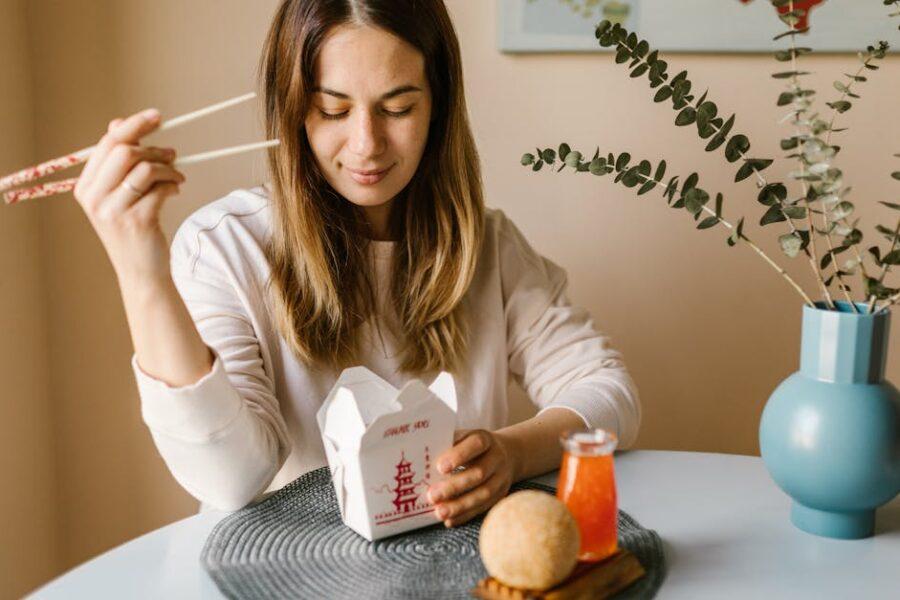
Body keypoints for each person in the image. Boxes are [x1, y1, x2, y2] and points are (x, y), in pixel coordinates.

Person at [73, 0, 640, 527]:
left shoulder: (486, 245)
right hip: (278, 577)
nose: (366, 144)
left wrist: (513, 452)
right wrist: (140, 270)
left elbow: (610, 393)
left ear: (438, 106)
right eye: (333, 109)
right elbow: (231, 479)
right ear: (294, 110)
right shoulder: (225, 248)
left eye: (397, 107)